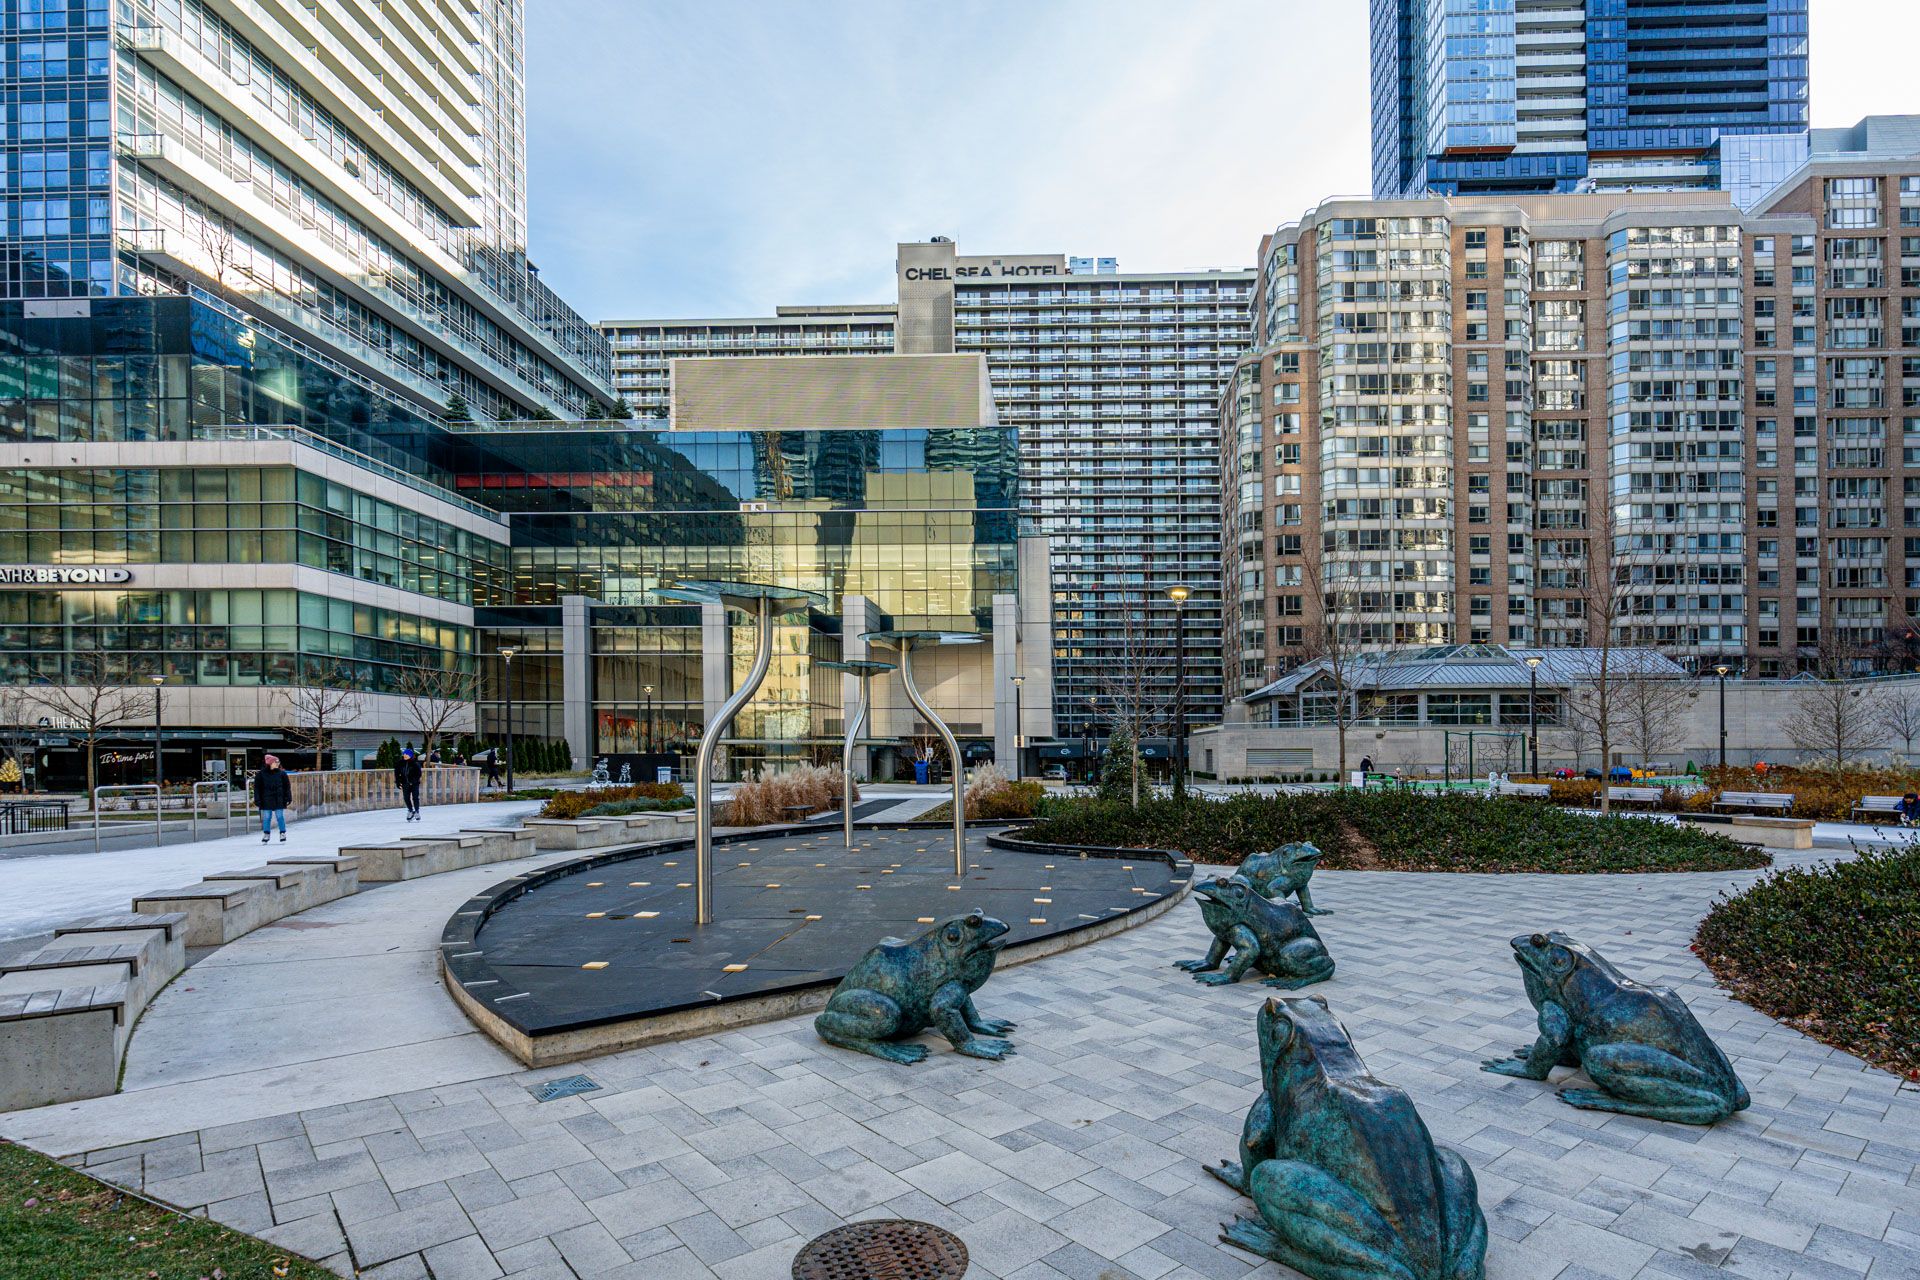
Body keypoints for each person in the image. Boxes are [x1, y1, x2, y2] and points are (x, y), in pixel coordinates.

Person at [253, 754, 291, 844]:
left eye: (278, 762)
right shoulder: (261, 774)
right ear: (270, 763)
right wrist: (257, 799)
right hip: (266, 798)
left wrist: (288, 797)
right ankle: (266, 834)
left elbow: (287, 787)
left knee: (280, 816)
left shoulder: (282, 773)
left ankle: (282, 833)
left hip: (279, 798)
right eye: (276, 762)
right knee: (267, 817)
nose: (278, 763)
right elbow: (257, 788)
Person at [396, 745, 423, 821]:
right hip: (405, 783)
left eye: (406, 754)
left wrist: (413, 781)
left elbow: (419, 774)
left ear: (410, 755)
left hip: (414, 784)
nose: (405, 755)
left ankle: (417, 811)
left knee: (415, 797)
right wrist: (398, 782)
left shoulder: (415, 763)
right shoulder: (400, 763)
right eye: (404, 754)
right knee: (406, 798)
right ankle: (410, 810)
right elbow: (397, 774)